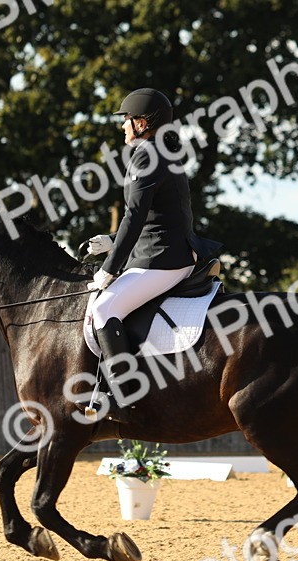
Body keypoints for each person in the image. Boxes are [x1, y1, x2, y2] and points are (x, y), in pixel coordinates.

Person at [83, 88, 215, 422]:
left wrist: (108, 270)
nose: (123, 126)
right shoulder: (163, 153)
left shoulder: (147, 155)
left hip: (162, 259)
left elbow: (135, 216)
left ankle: (124, 396)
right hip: (167, 250)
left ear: (142, 122)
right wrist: (112, 241)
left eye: (126, 119)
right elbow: (159, 217)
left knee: (103, 308)